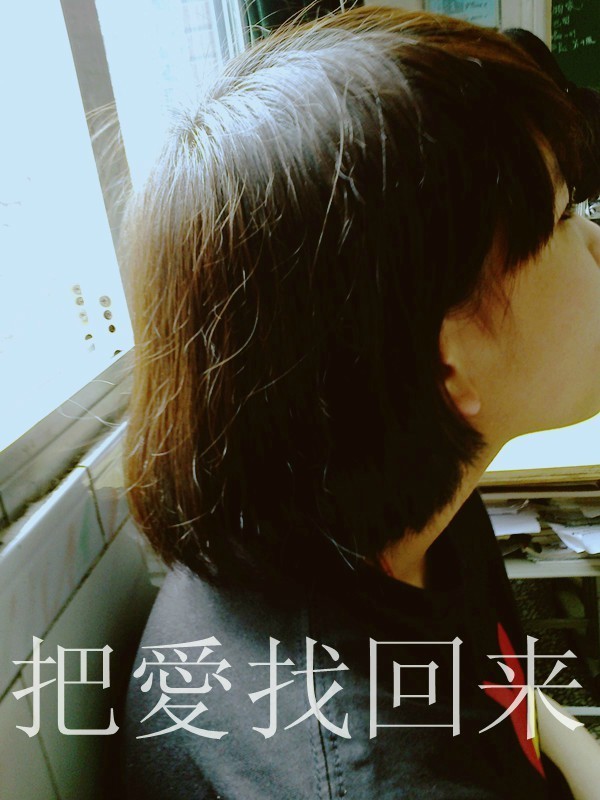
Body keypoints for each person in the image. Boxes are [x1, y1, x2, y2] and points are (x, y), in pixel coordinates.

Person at [121, 7, 600, 798]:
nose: (595, 244)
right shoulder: (368, 768)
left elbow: (493, 676)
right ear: (447, 360)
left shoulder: (374, 507)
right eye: (564, 216)